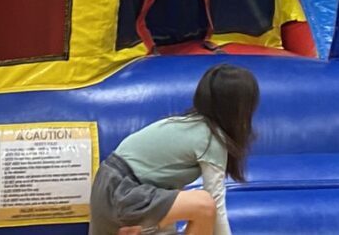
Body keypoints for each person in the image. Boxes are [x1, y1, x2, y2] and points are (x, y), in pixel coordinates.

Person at [89, 64, 259, 235]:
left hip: (113, 190)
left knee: (188, 203)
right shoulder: (210, 138)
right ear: (240, 108)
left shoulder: (187, 124)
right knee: (204, 205)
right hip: (120, 194)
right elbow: (215, 204)